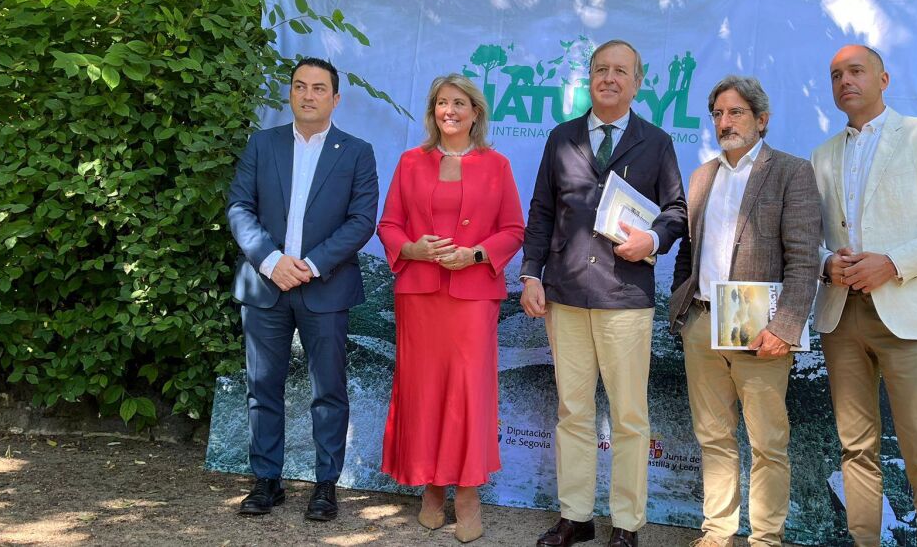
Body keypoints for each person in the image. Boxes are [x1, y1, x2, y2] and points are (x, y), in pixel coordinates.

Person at [521, 39, 688, 547]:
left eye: (620, 71)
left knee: (629, 416)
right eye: (601, 69)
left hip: (625, 296)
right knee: (573, 411)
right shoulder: (561, 138)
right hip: (566, 293)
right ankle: (575, 517)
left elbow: (676, 210)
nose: (609, 78)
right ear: (589, 78)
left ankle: (627, 524)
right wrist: (530, 274)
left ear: (638, 83)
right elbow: (542, 211)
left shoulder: (656, 142)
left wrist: (652, 239)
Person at [812, 45, 917, 547]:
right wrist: (826, 263)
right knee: (856, 449)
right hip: (842, 317)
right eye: (836, 74)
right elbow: (810, 238)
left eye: (855, 71)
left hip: (906, 314)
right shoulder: (822, 155)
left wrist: (893, 262)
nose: (845, 80)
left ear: (883, 79)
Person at [667, 76, 822, 547]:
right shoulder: (702, 176)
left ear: (762, 120)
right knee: (713, 436)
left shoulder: (791, 171)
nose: (724, 122)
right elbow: (688, 251)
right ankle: (718, 532)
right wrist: (681, 312)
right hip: (702, 320)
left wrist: (786, 326)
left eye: (735, 112)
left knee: (767, 443)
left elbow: (804, 258)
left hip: (759, 325)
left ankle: (766, 538)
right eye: (717, 113)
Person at [227, 57, 379, 521]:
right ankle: (266, 481)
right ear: (290, 93)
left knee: (328, 390)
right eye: (300, 86)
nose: (308, 95)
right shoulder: (262, 144)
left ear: (335, 98)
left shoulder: (357, 152)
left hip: (324, 287)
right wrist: (271, 261)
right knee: (261, 387)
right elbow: (239, 207)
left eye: (318, 88)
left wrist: (309, 266)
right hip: (265, 284)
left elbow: (361, 221)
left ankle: (325, 486)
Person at [377, 74, 525, 544]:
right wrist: (413, 250)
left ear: (475, 112)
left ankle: (467, 494)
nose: (450, 111)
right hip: (419, 296)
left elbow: (513, 230)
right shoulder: (410, 161)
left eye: (459, 103)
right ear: (433, 111)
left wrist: (476, 254)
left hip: (473, 298)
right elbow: (389, 224)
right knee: (424, 391)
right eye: (443, 103)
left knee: (468, 393)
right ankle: (431, 487)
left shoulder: (497, 165)